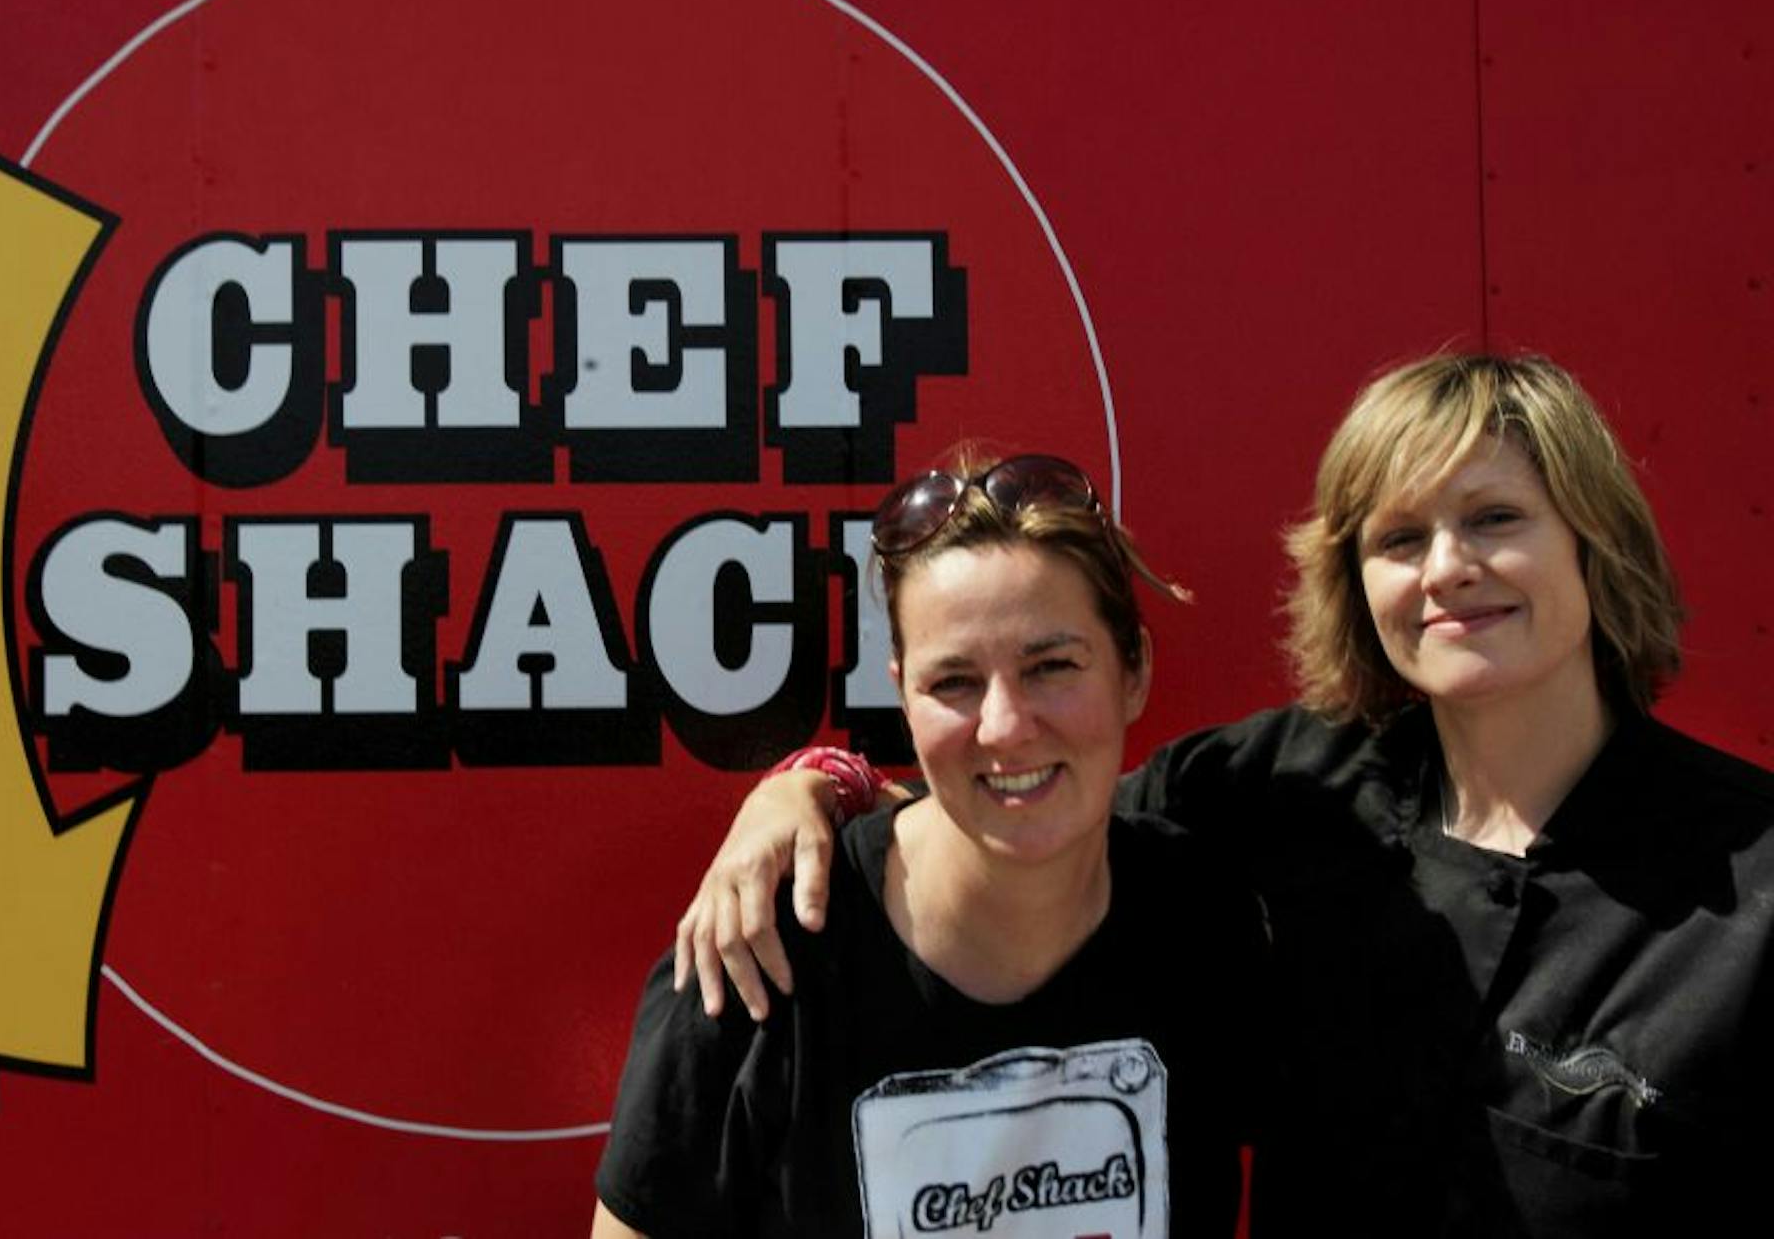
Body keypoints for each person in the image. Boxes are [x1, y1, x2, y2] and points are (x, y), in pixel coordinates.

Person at [672, 353, 1774, 1237]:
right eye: (1400, 536)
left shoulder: (1754, 881)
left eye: (1494, 518)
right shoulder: (1290, 784)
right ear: (1359, 583)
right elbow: (1016, 792)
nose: (1446, 567)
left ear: (1593, 541)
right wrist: (813, 788)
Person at [593, 450, 1266, 1237]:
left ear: (1134, 673)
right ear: (902, 699)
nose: (1006, 727)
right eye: (954, 683)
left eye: (1052, 666)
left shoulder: (1212, 922)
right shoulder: (757, 953)